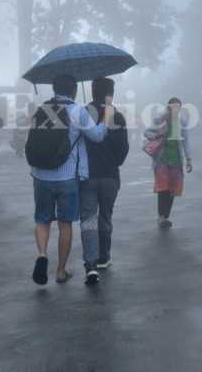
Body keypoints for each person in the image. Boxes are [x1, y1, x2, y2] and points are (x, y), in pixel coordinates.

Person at [27, 74, 111, 286]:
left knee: (42, 220)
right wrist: (107, 118)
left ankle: (42, 255)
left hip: (41, 175)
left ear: (54, 89)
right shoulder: (77, 111)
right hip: (67, 178)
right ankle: (61, 271)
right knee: (65, 223)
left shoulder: (41, 109)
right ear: (73, 90)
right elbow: (98, 136)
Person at [82, 78, 129, 280]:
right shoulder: (116, 116)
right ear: (110, 93)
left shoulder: (83, 114)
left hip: (87, 176)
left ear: (92, 91)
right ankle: (104, 257)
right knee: (105, 217)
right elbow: (123, 148)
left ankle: (90, 262)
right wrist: (114, 162)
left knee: (89, 219)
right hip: (109, 176)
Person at [144, 97, 192, 228]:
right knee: (163, 188)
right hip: (162, 159)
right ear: (168, 107)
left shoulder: (182, 122)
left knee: (173, 189)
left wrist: (189, 159)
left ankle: (166, 216)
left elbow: (186, 142)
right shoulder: (160, 120)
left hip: (176, 160)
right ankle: (161, 217)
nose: (175, 109)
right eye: (173, 107)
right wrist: (158, 134)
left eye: (178, 107)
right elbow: (146, 132)